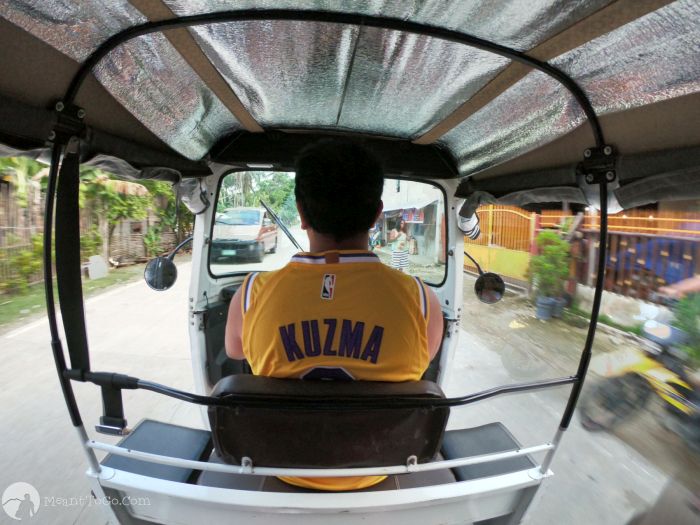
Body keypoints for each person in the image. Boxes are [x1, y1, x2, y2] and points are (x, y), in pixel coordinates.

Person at [225, 139, 443, 492]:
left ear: (302, 212)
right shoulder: (421, 300)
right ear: (376, 214)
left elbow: (235, 352)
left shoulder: (251, 293)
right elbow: (425, 359)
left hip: (283, 464)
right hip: (378, 469)